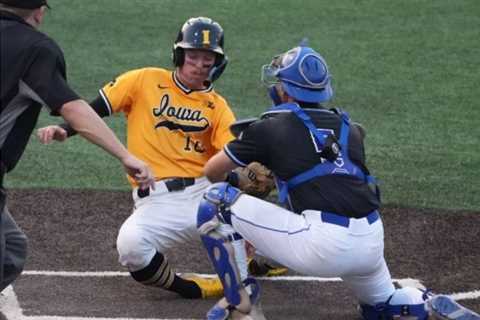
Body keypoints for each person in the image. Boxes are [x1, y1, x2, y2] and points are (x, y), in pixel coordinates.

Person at [196, 43, 480, 319]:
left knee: (216, 201)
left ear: (285, 90)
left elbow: (213, 172)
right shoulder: (351, 129)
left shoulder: (269, 127)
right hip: (370, 241)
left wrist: (239, 183)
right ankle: (421, 304)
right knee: (379, 307)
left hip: (323, 246)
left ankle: (241, 304)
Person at [36, 16, 246, 300]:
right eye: (192, 56)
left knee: (258, 214)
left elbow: (232, 153)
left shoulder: (217, 106)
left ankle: (261, 260)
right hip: (157, 200)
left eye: (207, 60)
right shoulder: (144, 80)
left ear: (218, 63)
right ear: (179, 54)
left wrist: (245, 174)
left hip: (203, 192)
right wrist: (63, 129)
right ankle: (191, 288)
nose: (198, 65)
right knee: (131, 248)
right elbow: (95, 108)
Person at [0, 0, 155, 292]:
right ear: (39, 12)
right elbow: (72, 109)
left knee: (11, 252)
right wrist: (124, 154)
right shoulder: (35, 49)